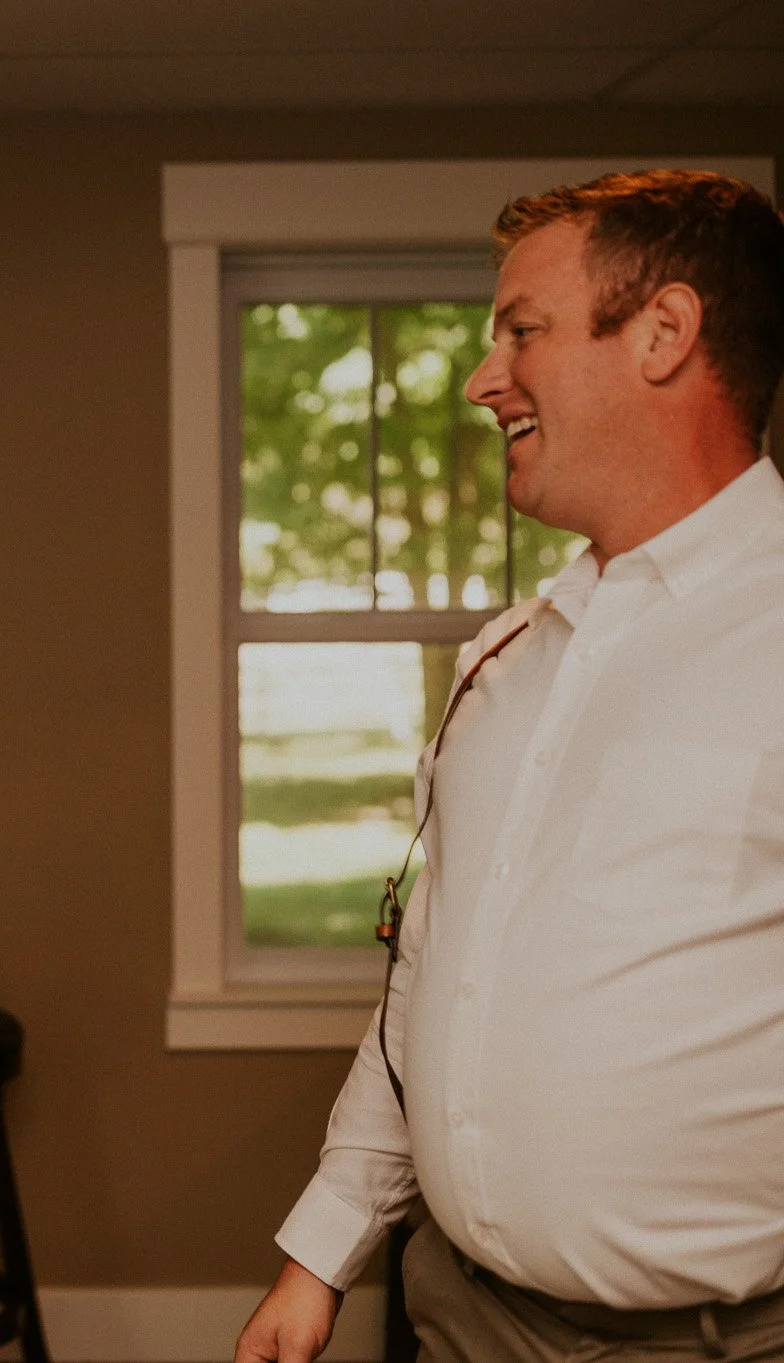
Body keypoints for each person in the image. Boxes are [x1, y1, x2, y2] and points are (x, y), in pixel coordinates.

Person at [236, 170, 784, 1363]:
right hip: (460, 1316)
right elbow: (427, 984)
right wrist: (318, 1254)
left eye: (520, 331)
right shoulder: (503, 661)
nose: (484, 379)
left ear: (663, 333)